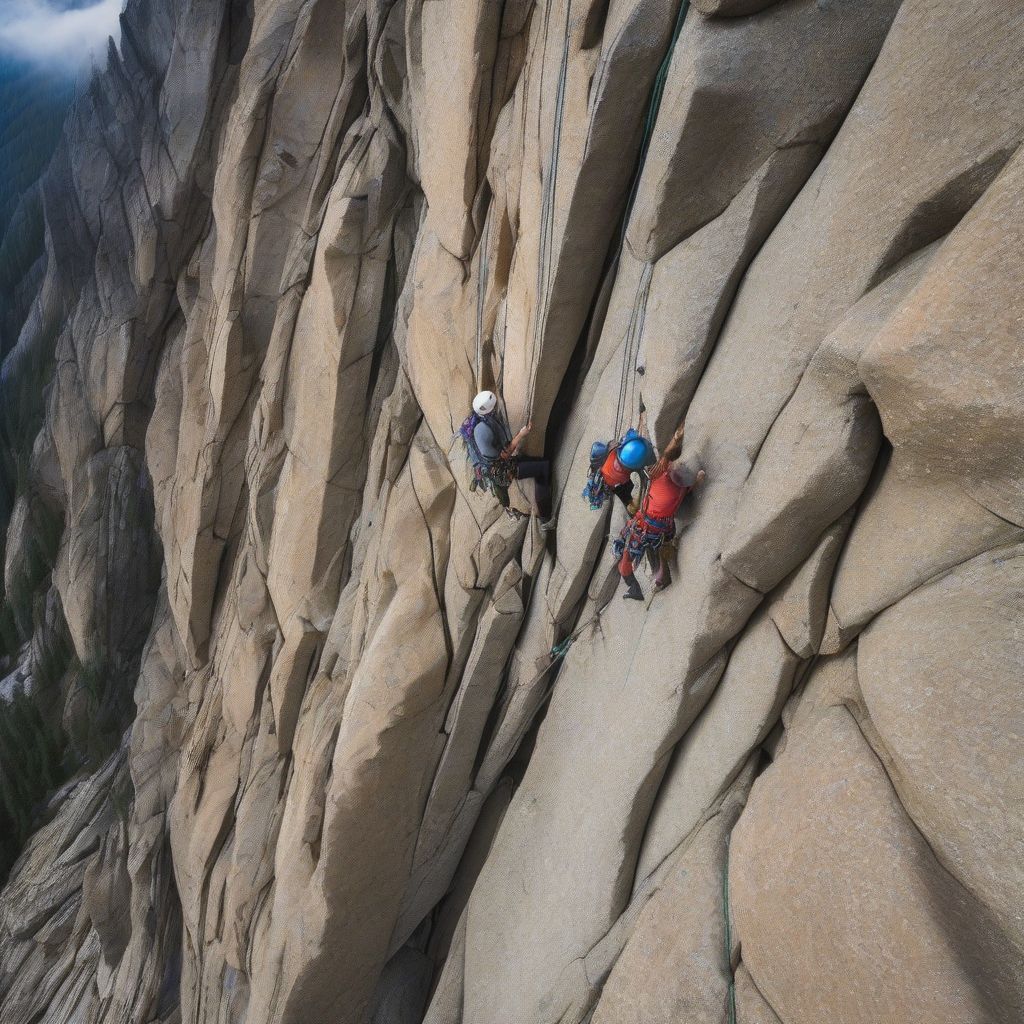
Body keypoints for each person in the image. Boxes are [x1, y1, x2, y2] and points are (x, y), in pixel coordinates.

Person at [613, 421, 705, 600]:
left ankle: (635, 587)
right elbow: (683, 478)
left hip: (645, 526)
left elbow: (666, 456)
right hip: (665, 528)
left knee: (626, 558)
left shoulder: (660, 477)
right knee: (663, 547)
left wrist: (676, 437)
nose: (673, 465)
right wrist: (699, 479)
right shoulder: (680, 490)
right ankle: (662, 576)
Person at [461, 390, 553, 526]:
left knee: (539, 464)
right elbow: (505, 455)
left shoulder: (481, 420)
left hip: (499, 465)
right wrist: (521, 434)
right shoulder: (484, 432)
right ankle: (546, 519)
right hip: (501, 471)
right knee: (542, 468)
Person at [583, 411, 655, 512]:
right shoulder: (612, 461)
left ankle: (635, 499)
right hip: (623, 463)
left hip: (621, 473)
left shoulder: (616, 479)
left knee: (630, 503)